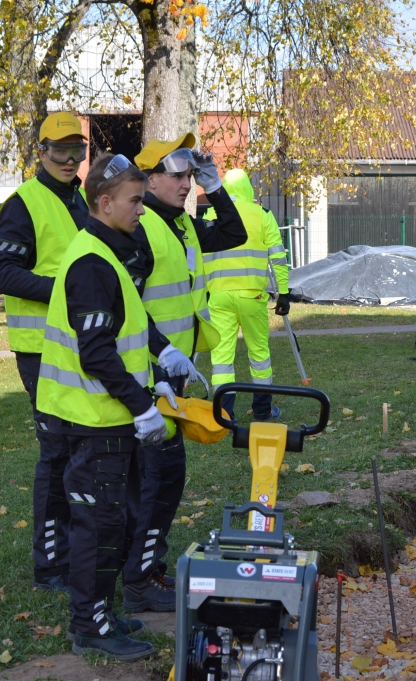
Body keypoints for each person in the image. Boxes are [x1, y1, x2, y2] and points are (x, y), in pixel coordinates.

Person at [37, 153, 173, 661]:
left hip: (105, 417)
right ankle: (89, 624)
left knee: (110, 524)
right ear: (104, 202)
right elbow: (96, 352)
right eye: (135, 201)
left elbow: (122, 339)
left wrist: (152, 385)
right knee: (98, 527)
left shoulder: (104, 251)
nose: (142, 210)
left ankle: (99, 611)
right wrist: (141, 406)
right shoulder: (92, 263)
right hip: (96, 421)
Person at [119, 134, 247, 614]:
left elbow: (234, 234)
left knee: (150, 480)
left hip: (174, 372)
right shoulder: (142, 227)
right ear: (149, 179)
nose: (185, 183)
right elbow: (128, 306)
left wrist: (216, 188)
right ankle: (139, 581)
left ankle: (143, 568)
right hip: (150, 374)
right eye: (176, 175)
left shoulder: (184, 227)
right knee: (161, 477)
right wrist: (164, 354)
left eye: (190, 175)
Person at [0, 112, 89, 592]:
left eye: (79, 151)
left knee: (79, 451)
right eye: (60, 150)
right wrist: (66, 289)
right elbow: (2, 274)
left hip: (77, 345)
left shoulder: (80, 199)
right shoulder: (23, 204)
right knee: (56, 455)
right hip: (39, 349)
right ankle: (49, 564)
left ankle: (75, 553)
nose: (70, 160)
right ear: (41, 150)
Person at [203, 168, 290, 422]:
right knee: (259, 354)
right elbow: (278, 257)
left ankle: (224, 413)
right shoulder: (262, 215)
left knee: (220, 358)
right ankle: (262, 410)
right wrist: (283, 293)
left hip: (218, 296)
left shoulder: (210, 214)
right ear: (248, 188)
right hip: (252, 297)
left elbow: (199, 257)